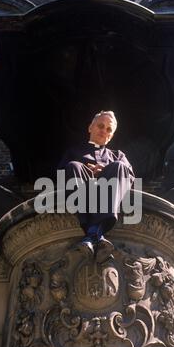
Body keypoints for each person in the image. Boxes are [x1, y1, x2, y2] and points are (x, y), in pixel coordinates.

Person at [58, 111, 135, 262]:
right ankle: (96, 232)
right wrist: (90, 173)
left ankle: (91, 233)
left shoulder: (117, 155)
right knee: (74, 166)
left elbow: (129, 176)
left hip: (109, 189)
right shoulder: (74, 152)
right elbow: (62, 175)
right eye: (101, 126)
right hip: (83, 188)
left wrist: (105, 171)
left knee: (119, 166)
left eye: (108, 129)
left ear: (111, 135)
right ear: (90, 128)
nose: (104, 131)